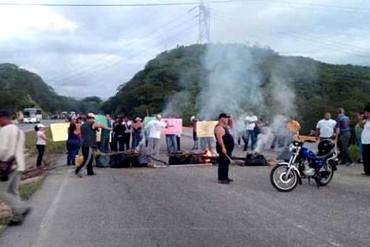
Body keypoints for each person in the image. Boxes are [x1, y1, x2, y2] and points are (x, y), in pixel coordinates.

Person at [0, 110, 30, 225]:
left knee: (1, 191)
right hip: (19, 164)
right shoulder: (18, 130)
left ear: (2, 118)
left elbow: (2, 149)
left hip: (7, 165)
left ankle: (21, 208)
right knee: (13, 191)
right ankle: (17, 217)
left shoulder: (4, 130)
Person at [214, 113, 235, 184]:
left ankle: (225, 177)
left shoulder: (225, 126)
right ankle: (221, 179)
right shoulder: (218, 127)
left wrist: (231, 120)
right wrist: (223, 147)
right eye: (226, 118)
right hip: (223, 148)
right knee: (222, 163)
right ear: (221, 118)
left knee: (226, 163)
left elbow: (231, 127)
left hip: (228, 148)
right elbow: (220, 139)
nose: (227, 119)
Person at [361, 105, 370, 176]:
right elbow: (360, 125)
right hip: (364, 141)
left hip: (369, 142)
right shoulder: (366, 120)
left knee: (368, 157)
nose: (365, 114)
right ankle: (366, 171)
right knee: (365, 157)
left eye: (366, 113)